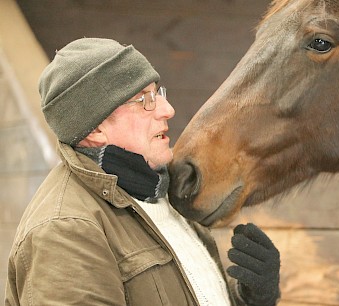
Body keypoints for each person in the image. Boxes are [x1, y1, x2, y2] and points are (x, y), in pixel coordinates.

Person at [5, 38, 280, 306]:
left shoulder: (160, 192)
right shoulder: (65, 230)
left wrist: (252, 299)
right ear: (96, 129)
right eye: (143, 100)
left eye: (158, 93)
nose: (167, 110)